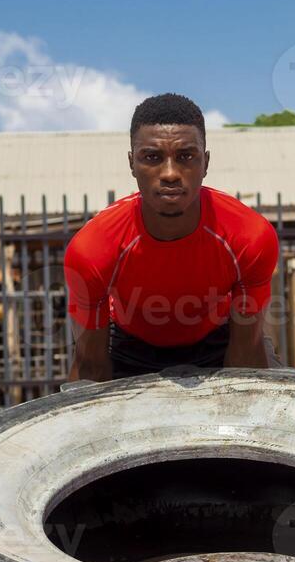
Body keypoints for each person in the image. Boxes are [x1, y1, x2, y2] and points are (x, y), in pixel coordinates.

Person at [64, 93, 279, 380]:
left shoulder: (250, 237)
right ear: (132, 164)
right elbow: (91, 364)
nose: (169, 173)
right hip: (126, 347)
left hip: (219, 341)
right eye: (152, 157)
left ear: (206, 162)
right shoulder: (92, 249)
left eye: (185, 157)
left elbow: (246, 354)